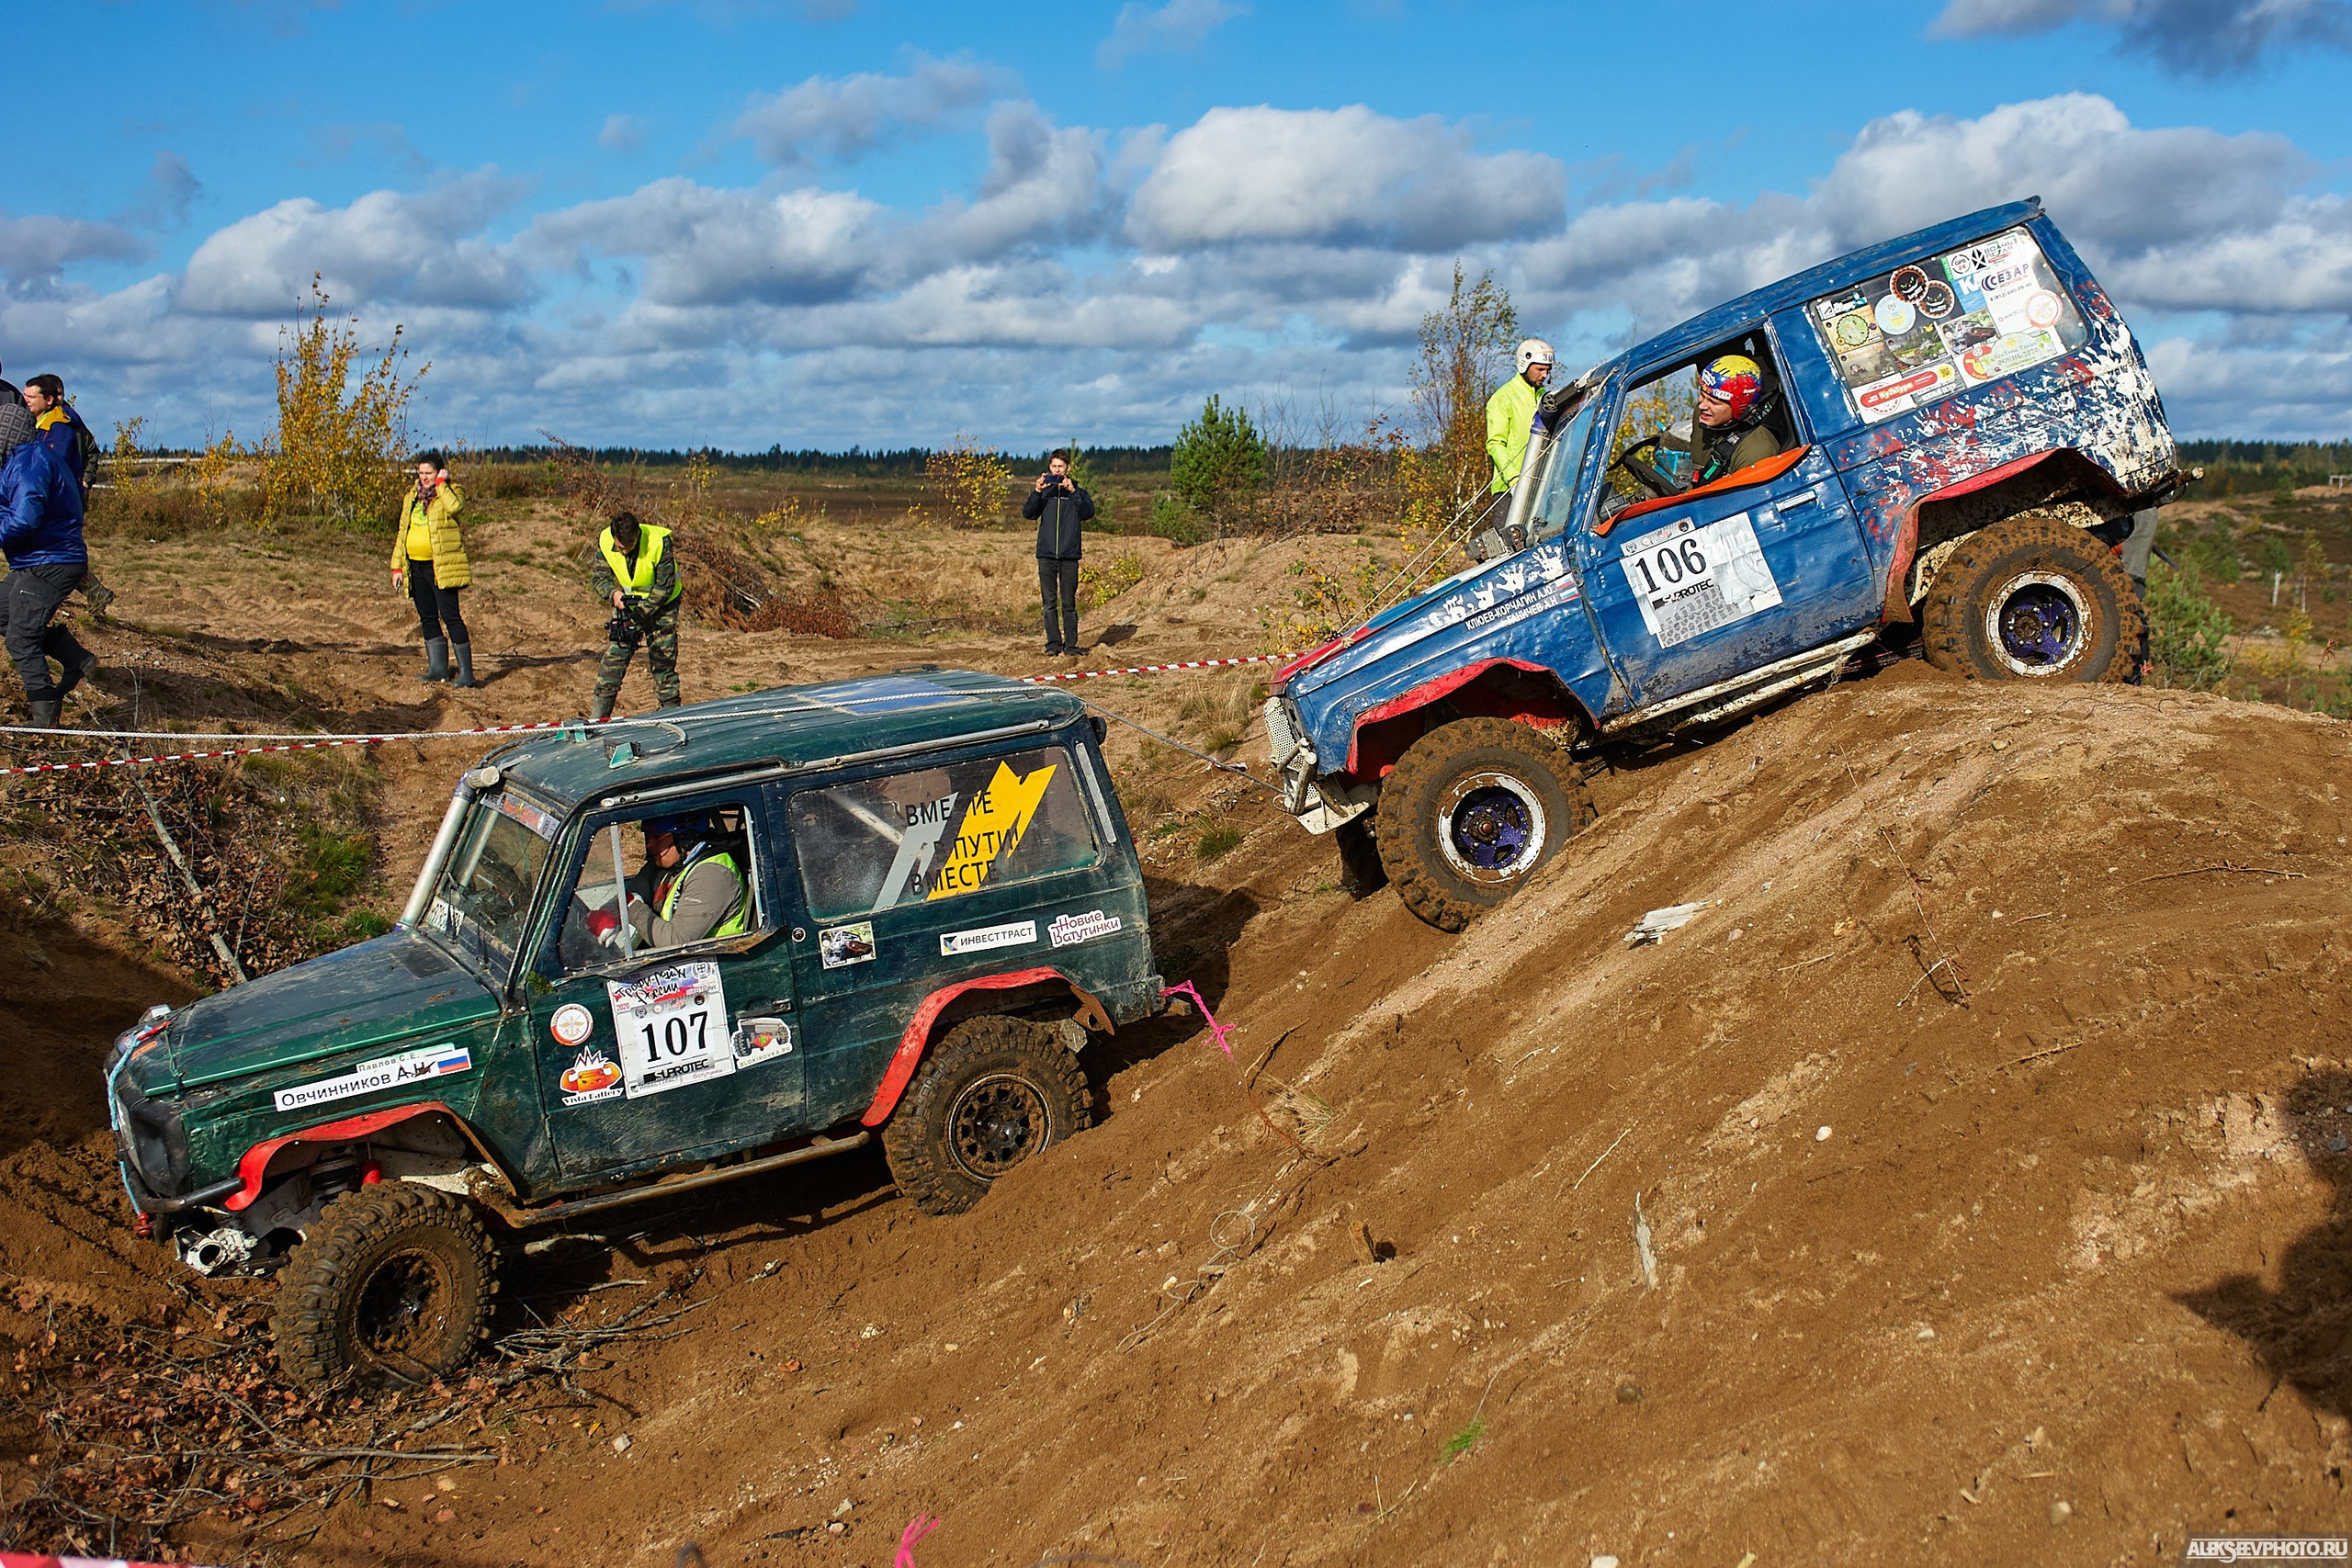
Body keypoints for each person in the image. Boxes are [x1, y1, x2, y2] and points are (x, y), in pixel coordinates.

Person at [0, 400, 96, 728]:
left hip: (51, 561)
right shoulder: (24, 459)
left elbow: (25, 519)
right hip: (38, 559)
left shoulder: (30, 463)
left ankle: (45, 713)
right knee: (2, 613)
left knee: (20, 637)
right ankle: (75, 658)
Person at [13, 373, 112, 619]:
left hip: (61, 500)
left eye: (31, 397)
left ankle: (91, 592)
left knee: (59, 550)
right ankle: (94, 592)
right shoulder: (47, 422)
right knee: (60, 550)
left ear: (50, 398)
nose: (26, 401)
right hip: (63, 497)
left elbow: (54, 464)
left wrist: (85, 481)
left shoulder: (61, 427)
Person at [583, 814, 748, 951]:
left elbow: (675, 941)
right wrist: (610, 913)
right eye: (648, 837)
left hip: (711, 964)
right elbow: (633, 892)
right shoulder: (668, 863)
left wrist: (630, 907)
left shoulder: (712, 875)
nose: (649, 844)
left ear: (686, 838)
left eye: (657, 837)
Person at [389, 450, 476, 687]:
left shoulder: (451, 492)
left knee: (451, 617)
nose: (424, 477)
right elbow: (402, 532)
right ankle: (438, 668)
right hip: (415, 566)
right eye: (421, 473)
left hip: (442, 566)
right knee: (427, 617)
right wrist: (397, 565)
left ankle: (467, 674)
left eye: (429, 473)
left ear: (439, 472)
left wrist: (441, 486)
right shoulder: (412, 497)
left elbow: (455, 507)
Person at [589, 511, 682, 719]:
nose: (622, 552)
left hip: (663, 606)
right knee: (613, 661)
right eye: (619, 547)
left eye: (627, 548)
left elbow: (664, 588)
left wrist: (640, 615)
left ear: (637, 537)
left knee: (663, 662)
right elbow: (599, 578)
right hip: (628, 607)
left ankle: (672, 716)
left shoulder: (659, 543)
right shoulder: (606, 540)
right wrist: (613, 594)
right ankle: (597, 720)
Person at [1663, 355, 1782, 489]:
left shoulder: (1755, 451)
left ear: (1740, 409)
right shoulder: (1704, 415)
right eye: (1702, 394)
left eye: (1714, 402)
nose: (1702, 406)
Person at [1023, 450, 1093, 659]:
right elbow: (1028, 514)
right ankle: (1053, 644)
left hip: (1069, 555)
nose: (1057, 470)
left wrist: (1073, 492)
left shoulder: (1078, 493)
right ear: (1049, 469)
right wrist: (1037, 491)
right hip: (1046, 555)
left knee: (1069, 603)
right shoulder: (1044, 493)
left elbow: (1088, 513)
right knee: (1049, 604)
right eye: (1053, 467)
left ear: (1067, 469)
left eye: (1060, 467)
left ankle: (1071, 645)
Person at [1486, 339, 1555, 497]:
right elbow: (1495, 444)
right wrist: (1513, 479)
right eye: (1540, 369)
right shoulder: (1503, 398)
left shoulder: (1546, 399)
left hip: (1541, 487)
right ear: (1524, 364)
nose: (1545, 375)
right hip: (1508, 490)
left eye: (1548, 370)